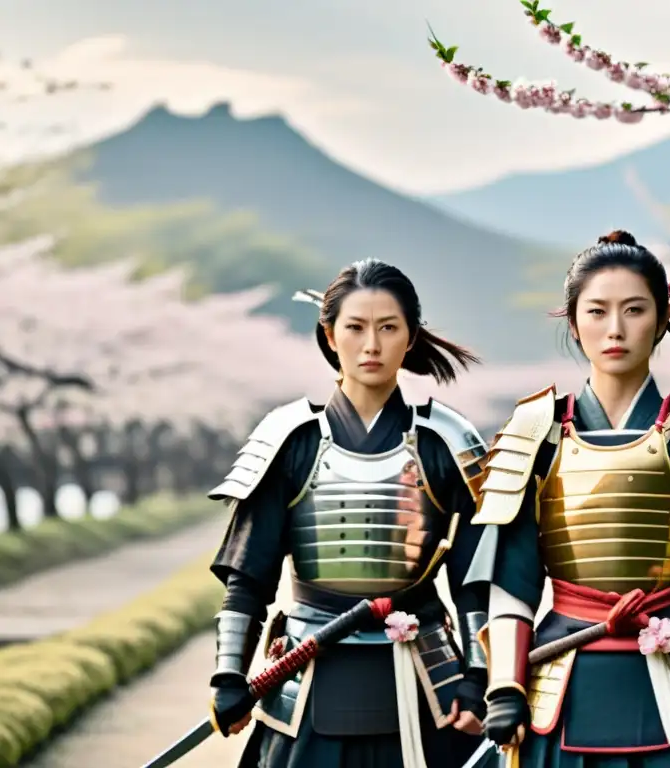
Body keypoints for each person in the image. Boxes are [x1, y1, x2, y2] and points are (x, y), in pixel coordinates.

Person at [468, 230, 670, 767]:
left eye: (635, 310)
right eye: (597, 312)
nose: (615, 329)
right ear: (574, 324)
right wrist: (505, 688)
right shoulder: (533, 434)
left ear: (663, 319)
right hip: (563, 683)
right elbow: (511, 581)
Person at [206, 259, 494, 768]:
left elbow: (477, 575)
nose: (372, 345)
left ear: (410, 338)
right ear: (330, 335)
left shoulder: (446, 441)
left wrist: (478, 676)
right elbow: (249, 573)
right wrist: (229, 675)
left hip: (428, 677)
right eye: (356, 328)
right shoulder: (288, 439)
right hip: (308, 669)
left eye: (388, 328)